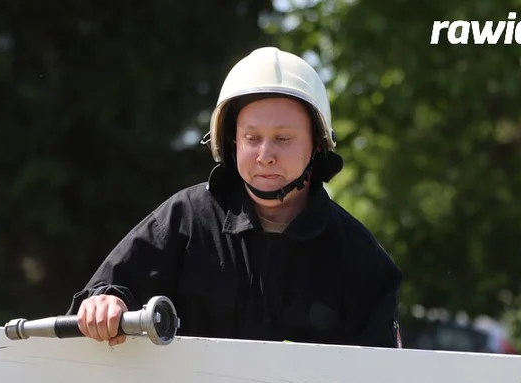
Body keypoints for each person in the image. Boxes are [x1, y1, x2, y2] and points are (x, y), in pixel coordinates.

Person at [69, 46, 403, 349]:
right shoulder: (185, 220)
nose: (265, 155)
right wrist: (104, 303)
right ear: (232, 142)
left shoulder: (358, 257)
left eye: (283, 138)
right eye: (252, 137)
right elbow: (99, 299)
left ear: (317, 143)